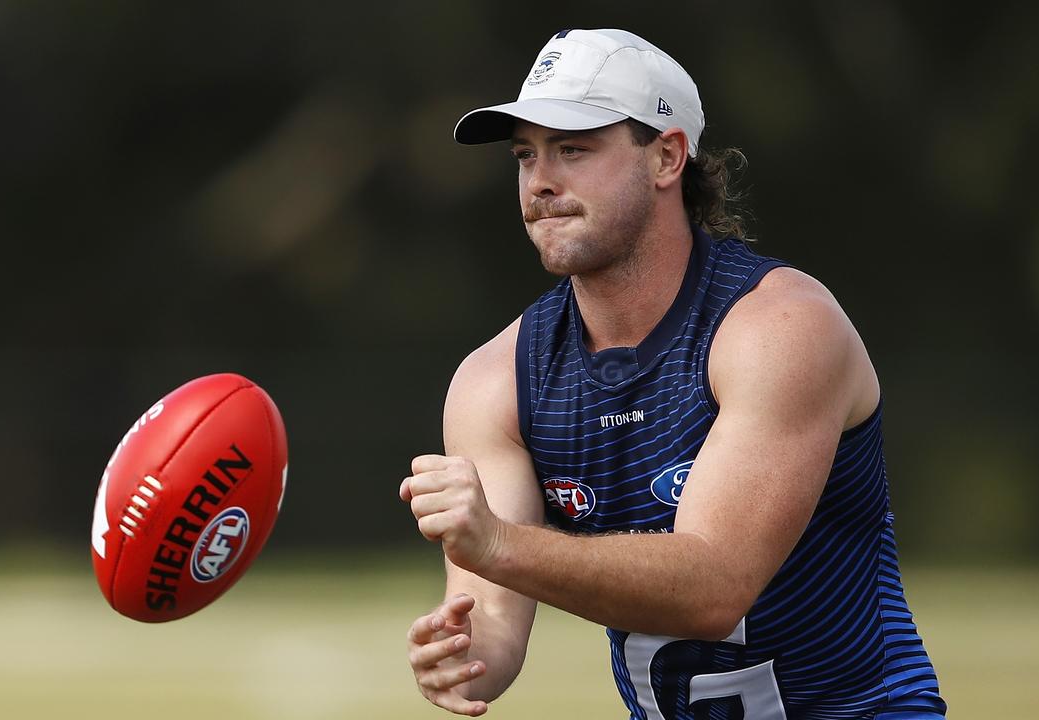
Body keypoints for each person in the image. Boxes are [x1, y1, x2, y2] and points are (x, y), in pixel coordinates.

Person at [400, 28, 946, 719]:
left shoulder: (779, 327)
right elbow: (495, 626)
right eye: (525, 155)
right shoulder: (495, 380)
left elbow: (714, 588)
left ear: (665, 156)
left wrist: (502, 544)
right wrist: (463, 658)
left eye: (573, 148)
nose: (540, 180)